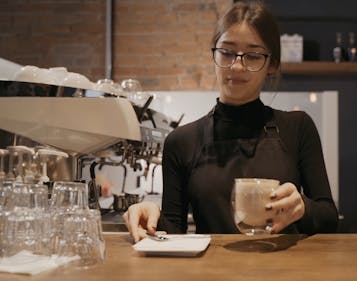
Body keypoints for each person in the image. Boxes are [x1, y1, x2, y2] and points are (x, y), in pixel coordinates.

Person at [123, 1, 338, 242]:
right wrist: (150, 215)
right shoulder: (181, 142)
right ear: (213, 54)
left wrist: (303, 209)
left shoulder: (297, 127)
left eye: (253, 55)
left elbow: (329, 217)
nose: (237, 66)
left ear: (272, 64)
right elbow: (174, 231)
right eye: (227, 52)